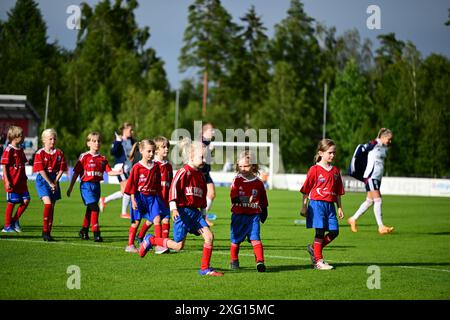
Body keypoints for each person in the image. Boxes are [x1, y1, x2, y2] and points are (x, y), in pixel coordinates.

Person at [139, 138, 224, 277]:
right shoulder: (183, 172)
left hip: (195, 214)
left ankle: (205, 269)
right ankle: (151, 240)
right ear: (191, 156)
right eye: (201, 157)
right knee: (178, 246)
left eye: (205, 157)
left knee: (209, 236)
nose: (204, 160)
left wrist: (203, 215)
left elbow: (202, 199)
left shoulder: (201, 177)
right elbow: (173, 189)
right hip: (182, 213)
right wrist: (174, 208)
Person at [67, 132, 123, 242]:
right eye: (93, 141)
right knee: (95, 208)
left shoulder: (102, 158)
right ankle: (96, 233)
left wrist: (118, 172)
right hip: (86, 186)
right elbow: (76, 173)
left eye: (98, 141)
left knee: (90, 209)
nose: (96, 143)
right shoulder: (84, 157)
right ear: (88, 143)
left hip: (97, 186)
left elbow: (109, 172)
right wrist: (70, 188)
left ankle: (83, 230)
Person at [300, 138, 345, 270]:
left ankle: (314, 248)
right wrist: (304, 206)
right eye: (330, 152)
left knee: (334, 232)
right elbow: (306, 189)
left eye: (334, 153)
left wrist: (340, 208)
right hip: (317, 205)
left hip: (330, 206)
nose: (332, 155)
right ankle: (318, 262)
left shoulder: (336, 171)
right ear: (321, 153)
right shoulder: (314, 170)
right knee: (319, 232)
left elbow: (337, 192)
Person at [123, 139, 169, 254]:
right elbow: (132, 185)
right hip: (139, 197)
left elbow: (158, 184)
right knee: (136, 222)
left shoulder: (156, 167)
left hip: (152, 198)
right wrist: (133, 200)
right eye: (148, 151)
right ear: (141, 151)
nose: (151, 154)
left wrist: (160, 199)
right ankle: (130, 245)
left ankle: (159, 245)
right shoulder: (137, 167)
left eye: (153, 151)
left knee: (157, 219)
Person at [347, 128, 394, 235]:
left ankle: (353, 219)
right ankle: (381, 227)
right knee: (378, 200)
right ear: (382, 137)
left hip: (377, 177)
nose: (390, 142)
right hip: (371, 176)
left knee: (370, 201)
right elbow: (363, 148)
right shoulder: (374, 144)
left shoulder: (384, 147)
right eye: (389, 139)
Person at [229, 150, 269, 272]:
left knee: (255, 238)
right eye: (240, 166)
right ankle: (234, 259)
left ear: (253, 166)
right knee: (236, 240)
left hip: (253, 216)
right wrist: (246, 199)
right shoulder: (237, 180)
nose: (243, 169)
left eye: (246, 166)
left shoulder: (258, 183)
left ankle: (260, 261)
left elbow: (263, 200)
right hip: (238, 215)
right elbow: (234, 198)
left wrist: (264, 213)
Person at [33, 129, 67, 241]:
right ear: (44, 140)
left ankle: (48, 231)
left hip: (54, 181)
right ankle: (44, 231)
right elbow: (41, 170)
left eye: (54, 139)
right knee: (47, 204)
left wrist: (55, 182)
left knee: (52, 207)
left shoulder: (59, 153)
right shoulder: (40, 153)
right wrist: (50, 183)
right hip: (43, 180)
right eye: (50, 139)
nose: (53, 141)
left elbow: (62, 169)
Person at [99, 122, 135, 219]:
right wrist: (118, 141)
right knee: (128, 190)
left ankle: (104, 200)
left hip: (128, 167)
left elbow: (132, 153)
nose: (132, 132)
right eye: (130, 130)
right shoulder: (118, 140)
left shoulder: (131, 140)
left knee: (124, 191)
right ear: (124, 130)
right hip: (121, 168)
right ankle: (123, 212)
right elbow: (113, 152)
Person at [1, 125, 30, 233]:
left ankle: (14, 220)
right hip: (12, 182)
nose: (24, 137)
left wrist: (25, 176)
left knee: (26, 200)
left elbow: (22, 164)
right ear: (15, 137)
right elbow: (4, 165)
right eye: (22, 135)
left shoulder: (20, 149)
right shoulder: (9, 150)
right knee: (12, 203)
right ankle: (7, 226)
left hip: (21, 182)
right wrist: (7, 181)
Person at [152, 136, 173, 240]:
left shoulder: (169, 166)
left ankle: (163, 243)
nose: (167, 149)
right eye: (163, 147)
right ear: (156, 150)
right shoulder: (153, 165)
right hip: (156, 198)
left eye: (167, 147)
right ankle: (142, 237)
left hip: (166, 199)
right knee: (155, 219)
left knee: (166, 220)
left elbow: (171, 183)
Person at [200, 122, 216, 227]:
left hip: (206, 173)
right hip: (200, 173)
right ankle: (202, 218)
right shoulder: (201, 142)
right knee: (201, 197)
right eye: (211, 130)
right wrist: (208, 151)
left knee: (211, 194)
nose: (213, 132)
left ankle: (203, 217)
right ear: (205, 131)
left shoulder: (208, 142)